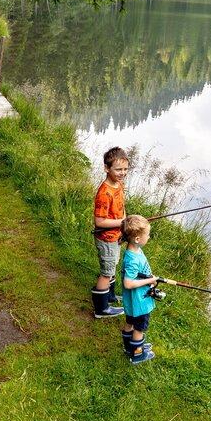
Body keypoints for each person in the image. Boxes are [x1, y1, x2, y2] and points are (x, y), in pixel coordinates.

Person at [90, 146, 129, 318]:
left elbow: (121, 209)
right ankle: (101, 309)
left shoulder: (118, 186)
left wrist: (124, 226)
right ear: (107, 168)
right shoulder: (105, 193)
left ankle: (110, 296)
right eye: (118, 169)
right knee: (106, 272)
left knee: (112, 265)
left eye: (125, 169)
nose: (122, 173)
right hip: (106, 238)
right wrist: (122, 222)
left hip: (116, 236)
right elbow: (100, 221)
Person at [120, 214, 158, 364]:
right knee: (139, 329)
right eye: (147, 235)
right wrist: (151, 280)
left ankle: (129, 347)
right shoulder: (133, 259)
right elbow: (128, 283)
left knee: (130, 322)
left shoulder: (133, 250)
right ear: (137, 238)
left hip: (131, 302)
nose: (148, 237)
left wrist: (149, 277)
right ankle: (137, 355)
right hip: (139, 302)